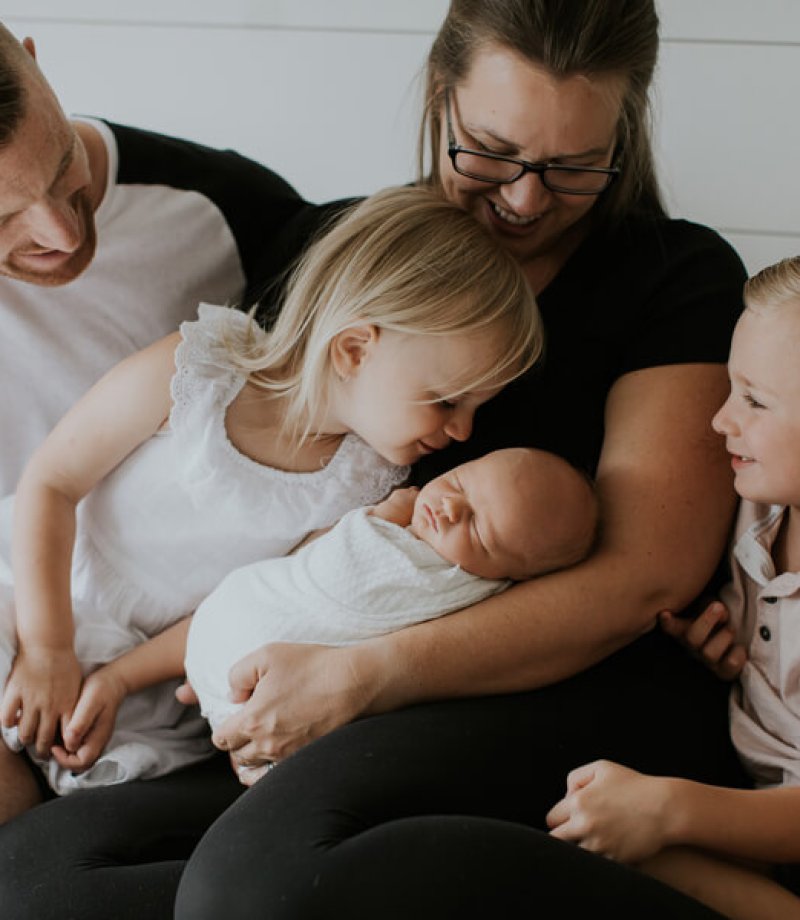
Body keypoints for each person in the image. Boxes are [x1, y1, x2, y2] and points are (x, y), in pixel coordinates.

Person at [0, 2, 751, 918]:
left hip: (551, 689)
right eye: (488, 150)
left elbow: (644, 576)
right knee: (34, 879)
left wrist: (362, 677)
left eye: (572, 167)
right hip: (304, 700)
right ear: (439, 98)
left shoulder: (672, 275)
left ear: (624, 135)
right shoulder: (339, 251)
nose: (522, 197)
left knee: (255, 884)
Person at [0, 184, 541, 822]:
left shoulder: (364, 492)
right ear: (355, 350)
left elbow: (245, 603)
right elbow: (51, 483)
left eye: (478, 409)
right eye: (449, 400)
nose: (462, 432)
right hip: (29, 596)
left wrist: (117, 680)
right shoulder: (200, 370)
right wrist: (48, 650)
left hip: (133, 682)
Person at [546, 256, 800, 920]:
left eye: (754, 399)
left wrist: (668, 808)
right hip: (757, 808)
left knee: (614, 854)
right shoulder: (758, 509)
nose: (720, 421)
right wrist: (723, 647)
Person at [0, 22, 306, 498]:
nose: (63, 233)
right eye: (4, 219)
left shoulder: (235, 209)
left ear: (38, 67)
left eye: (63, 163)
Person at [187, 447, 598, 761]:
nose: (449, 508)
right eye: (457, 483)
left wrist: (376, 521)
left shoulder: (463, 592)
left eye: (477, 529)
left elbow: (346, 572)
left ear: (512, 577)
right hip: (231, 636)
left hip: (264, 688)